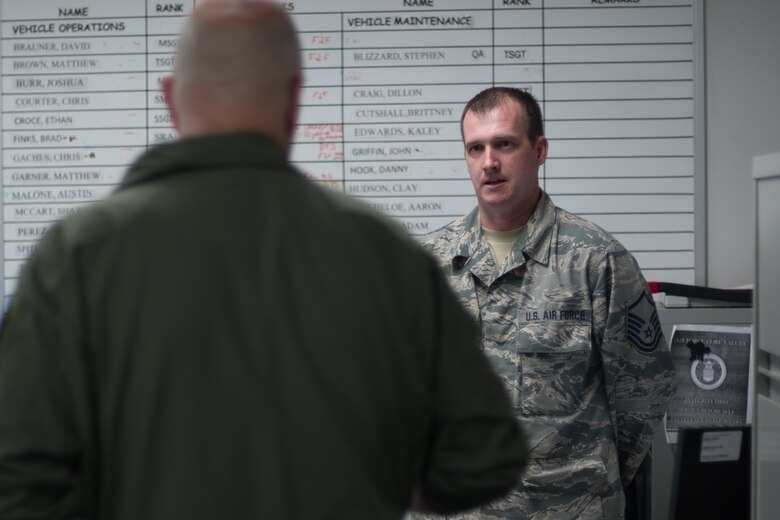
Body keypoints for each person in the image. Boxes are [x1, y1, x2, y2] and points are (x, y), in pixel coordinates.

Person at [0, 4, 528, 519]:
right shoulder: (384, 253)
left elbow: (19, 479)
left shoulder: (76, 256)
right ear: (294, 100)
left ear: (171, 98)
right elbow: (483, 455)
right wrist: (366, 478)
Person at [416, 87, 677, 519]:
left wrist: (586, 483)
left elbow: (645, 393)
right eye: (475, 148)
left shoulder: (597, 260)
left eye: (504, 144)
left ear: (539, 151)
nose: (489, 162)